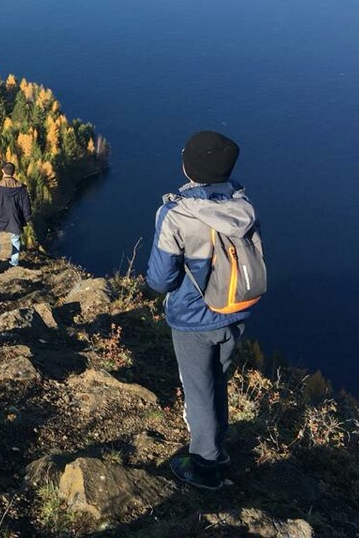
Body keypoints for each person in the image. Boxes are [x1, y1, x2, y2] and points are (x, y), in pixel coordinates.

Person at [146, 130, 259, 490]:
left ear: (189, 166)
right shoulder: (242, 206)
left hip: (193, 318)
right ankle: (217, 448)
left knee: (198, 390)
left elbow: (160, 280)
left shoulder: (175, 214)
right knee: (217, 382)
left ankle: (205, 468)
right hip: (236, 310)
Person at [0, 161, 31, 267]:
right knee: (15, 240)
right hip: (14, 219)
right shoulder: (22, 188)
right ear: (14, 173)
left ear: (2, 171)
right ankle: (14, 263)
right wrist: (27, 218)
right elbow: (26, 205)